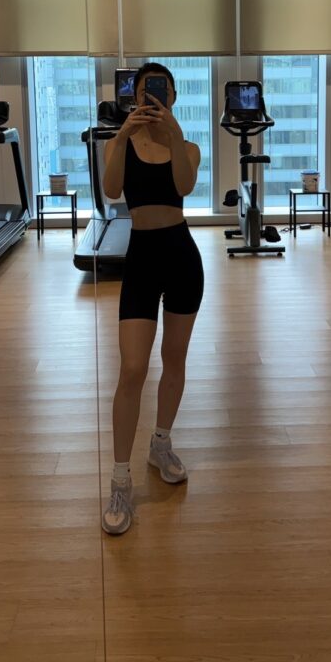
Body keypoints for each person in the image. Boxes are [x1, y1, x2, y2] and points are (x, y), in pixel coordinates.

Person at [99, 63, 203, 535]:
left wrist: (174, 133)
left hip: (182, 257)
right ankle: (120, 480)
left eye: (160, 90)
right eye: (144, 91)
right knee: (133, 369)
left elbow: (184, 186)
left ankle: (160, 443)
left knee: (174, 359)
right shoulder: (119, 144)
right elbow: (112, 191)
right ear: (133, 97)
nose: (152, 97)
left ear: (173, 96)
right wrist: (122, 136)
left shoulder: (188, 147)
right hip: (142, 258)